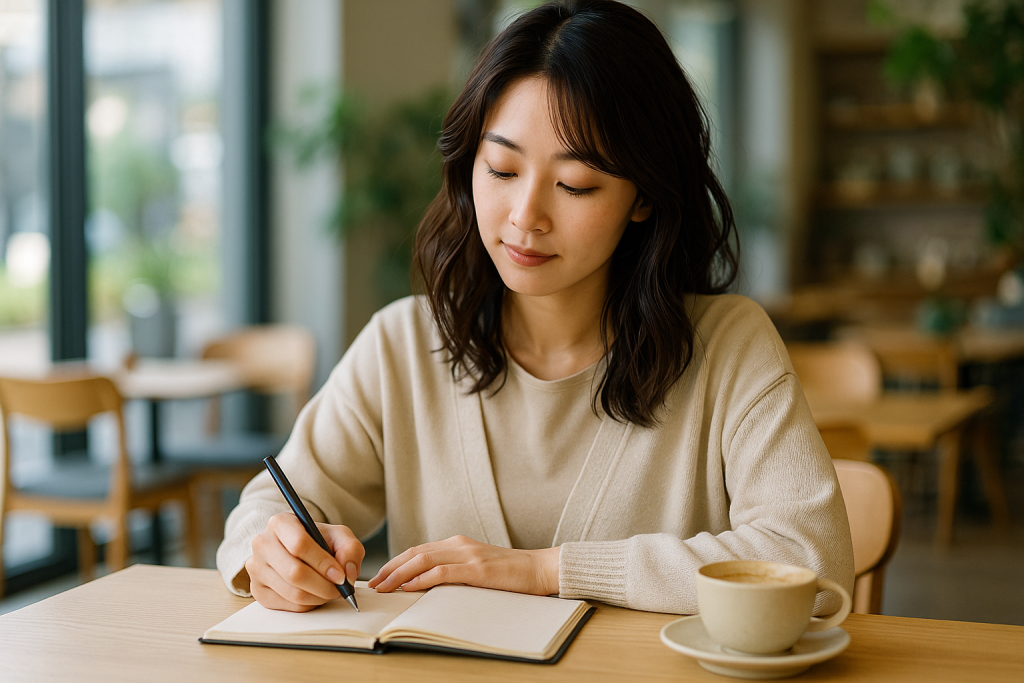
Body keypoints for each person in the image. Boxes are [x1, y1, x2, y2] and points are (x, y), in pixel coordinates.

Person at [217, 0, 854, 615]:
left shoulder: (729, 347)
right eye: (499, 169)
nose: (525, 218)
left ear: (644, 197)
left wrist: (545, 572)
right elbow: (269, 509)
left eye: (575, 184)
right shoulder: (402, 344)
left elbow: (811, 560)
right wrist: (268, 552)